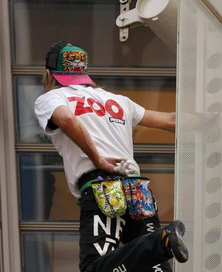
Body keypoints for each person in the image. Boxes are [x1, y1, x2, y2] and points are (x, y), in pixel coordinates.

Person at [35, 41, 188, 272]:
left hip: (102, 190)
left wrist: (96, 158)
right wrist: (212, 119)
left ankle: (161, 241)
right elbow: (172, 121)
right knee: (154, 266)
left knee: (93, 268)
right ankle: (161, 243)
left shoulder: (52, 97)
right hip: (137, 191)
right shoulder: (117, 100)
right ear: (84, 72)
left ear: (48, 74)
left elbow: (66, 119)